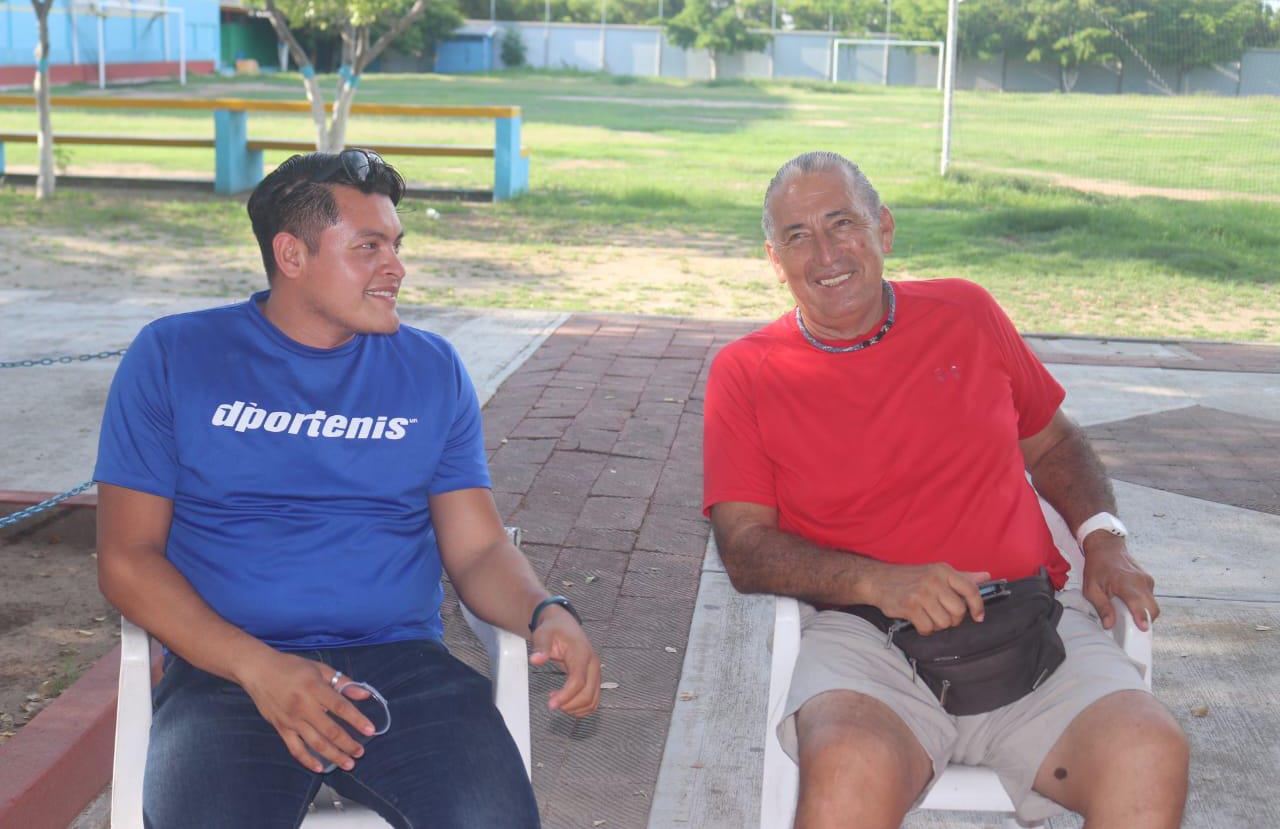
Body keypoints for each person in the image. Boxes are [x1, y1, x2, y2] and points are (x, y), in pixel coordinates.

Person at [95, 150, 600, 828]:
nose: (396, 267)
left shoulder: (430, 369)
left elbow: (478, 549)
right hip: (228, 672)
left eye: (396, 245)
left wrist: (546, 610)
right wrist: (259, 668)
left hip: (402, 669)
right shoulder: (174, 357)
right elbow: (127, 558)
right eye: (369, 247)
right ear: (291, 254)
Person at [703, 151, 1189, 828]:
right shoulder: (746, 372)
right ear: (773, 261)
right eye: (796, 236)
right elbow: (745, 547)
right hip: (866, 645)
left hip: (1032, 625)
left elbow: (1052, 442)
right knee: (845, 773)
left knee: (1152, 750)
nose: (824, 253)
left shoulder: (965, 311)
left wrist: (1102, 537)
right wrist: (881, 582)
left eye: (842, 223)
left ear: (885, 230)